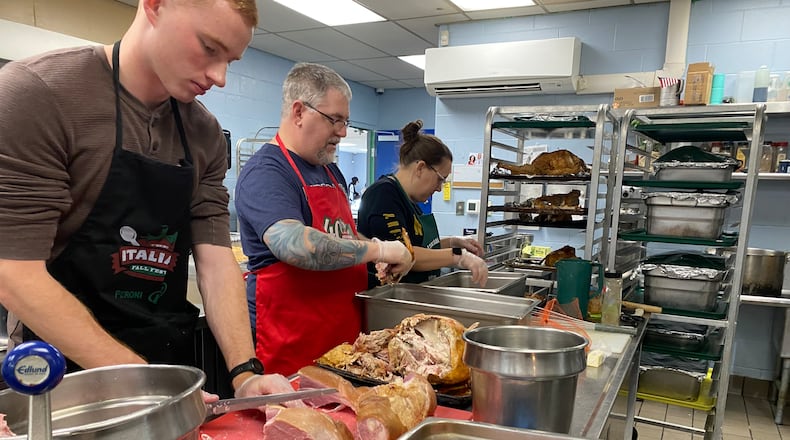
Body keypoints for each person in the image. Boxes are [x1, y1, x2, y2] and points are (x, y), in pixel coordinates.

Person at [0, 0, 283, 399]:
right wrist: (147, 382)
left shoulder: (203, 133)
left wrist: (245, 373)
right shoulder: (38, 94)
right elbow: (14, 274)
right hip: (64, 380)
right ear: (154, 5)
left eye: (231, 61)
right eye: (209, 48)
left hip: (168, 360)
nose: (219, 77)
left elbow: (216, 258)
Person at [235, 62, 414, 376]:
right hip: (288, 351)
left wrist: (375, 251)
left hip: (341, 346)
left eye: (345, 121)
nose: (343, 132)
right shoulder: (267, 171)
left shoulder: (329, 169)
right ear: (299, 112)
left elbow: (343, 234)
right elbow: (296, 245)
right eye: (335, 120)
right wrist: (381, 251)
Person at [358, 120, 489, 288]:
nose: (440, 189)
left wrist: (453, 242)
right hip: (387, 296)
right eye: (440, 179)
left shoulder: (409, 200)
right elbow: (404, 253)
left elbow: (419, 246)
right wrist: (458, 256)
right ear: (420, 168)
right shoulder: (383, 195)